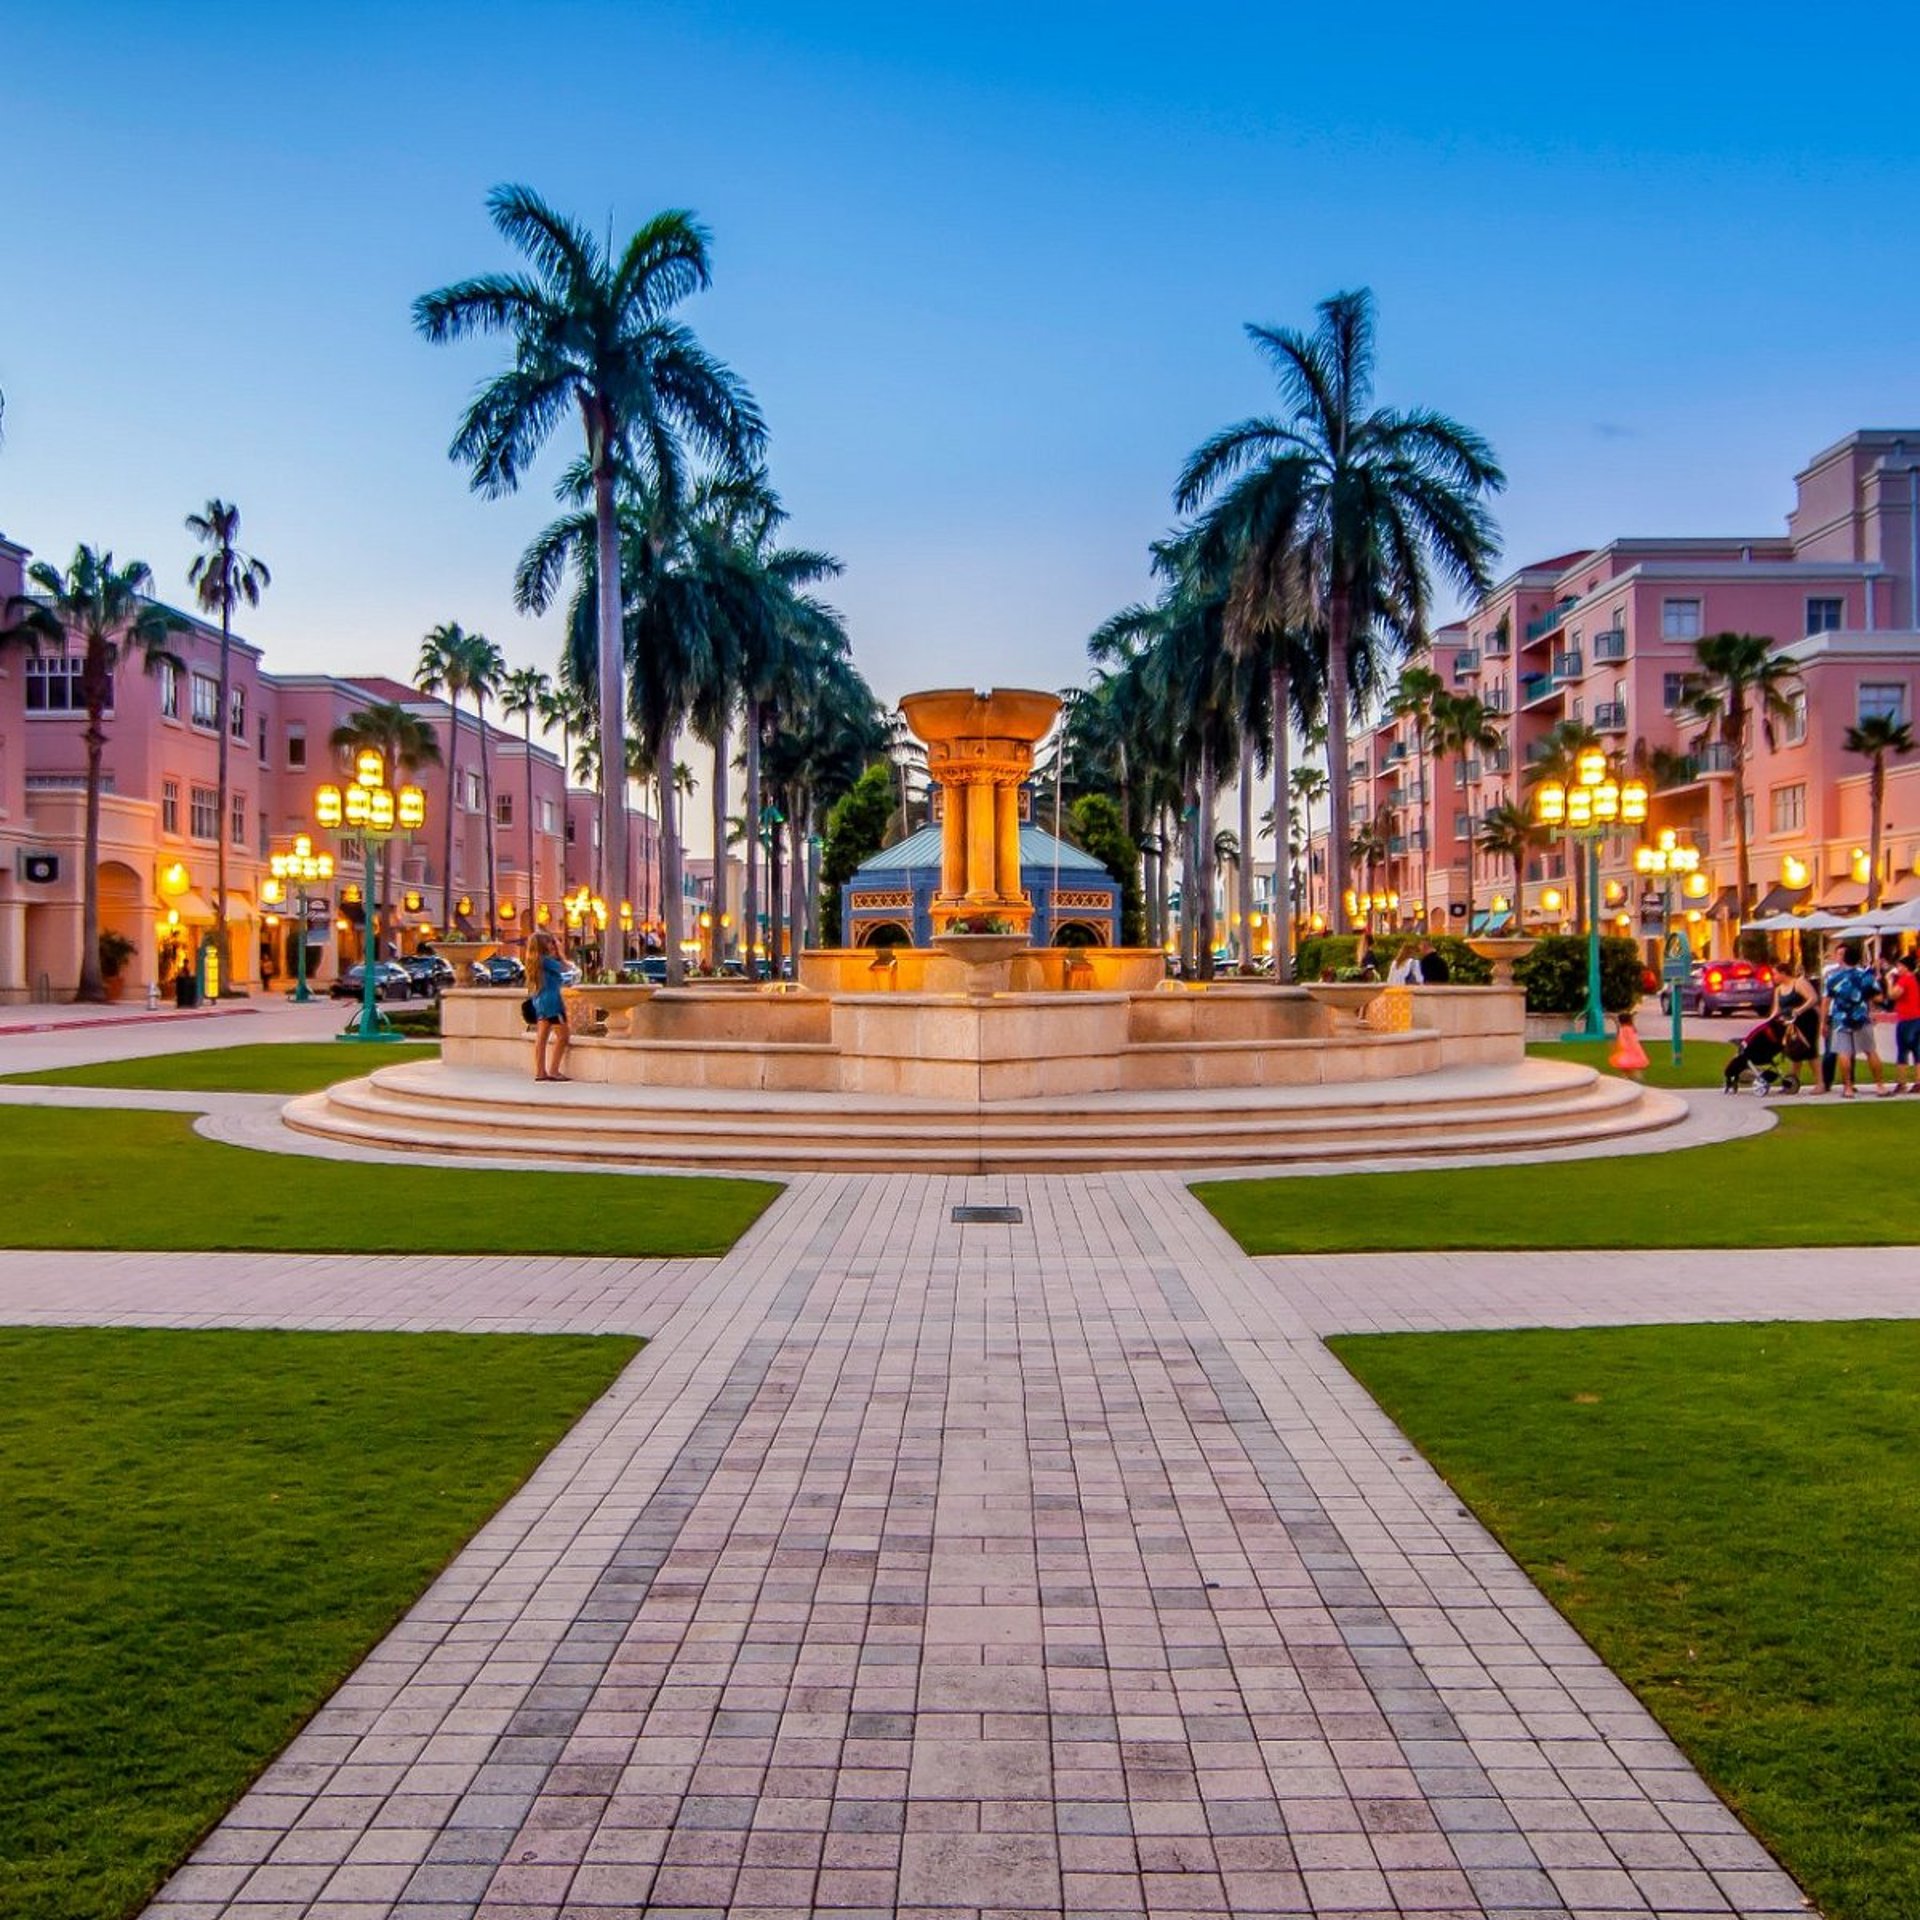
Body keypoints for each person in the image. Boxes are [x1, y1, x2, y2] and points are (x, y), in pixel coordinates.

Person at [1824, 940, 1889, 1098]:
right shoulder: (1866, 976)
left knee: (1844, 1052)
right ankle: (1880, 1085)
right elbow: (1878, 997)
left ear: (1844, 958)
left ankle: (1848, 1087)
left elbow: (1826, 1001)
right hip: (1861, 1016)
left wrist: (1823, 1022)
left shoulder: (1834, 978)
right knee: (1870, 1051)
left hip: (1841, 1018)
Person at [528, 930, 571, 1082]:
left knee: (542, 1038)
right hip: (553, 1003)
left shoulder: (535, 960)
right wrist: (560, 952)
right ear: (542, 945)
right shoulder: (546, 960)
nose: (551, 944)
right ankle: (554, 1070)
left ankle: (540, 1072)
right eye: (549, 942)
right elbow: (567, 969)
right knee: (563, 1037)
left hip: (540, 1002)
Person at [1887, 951, 1920, 1094]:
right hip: (1917, 1017)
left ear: (1906, 967)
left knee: (1903, 1050)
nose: (1898, 969)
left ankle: (1902, 1082)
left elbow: (1894, 994)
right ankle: (1918, 1082)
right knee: (1917, 1050)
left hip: (1907, 1019)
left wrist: (1888, 981)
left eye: (1900, 966)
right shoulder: (1914, 979)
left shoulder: (1904, 980)